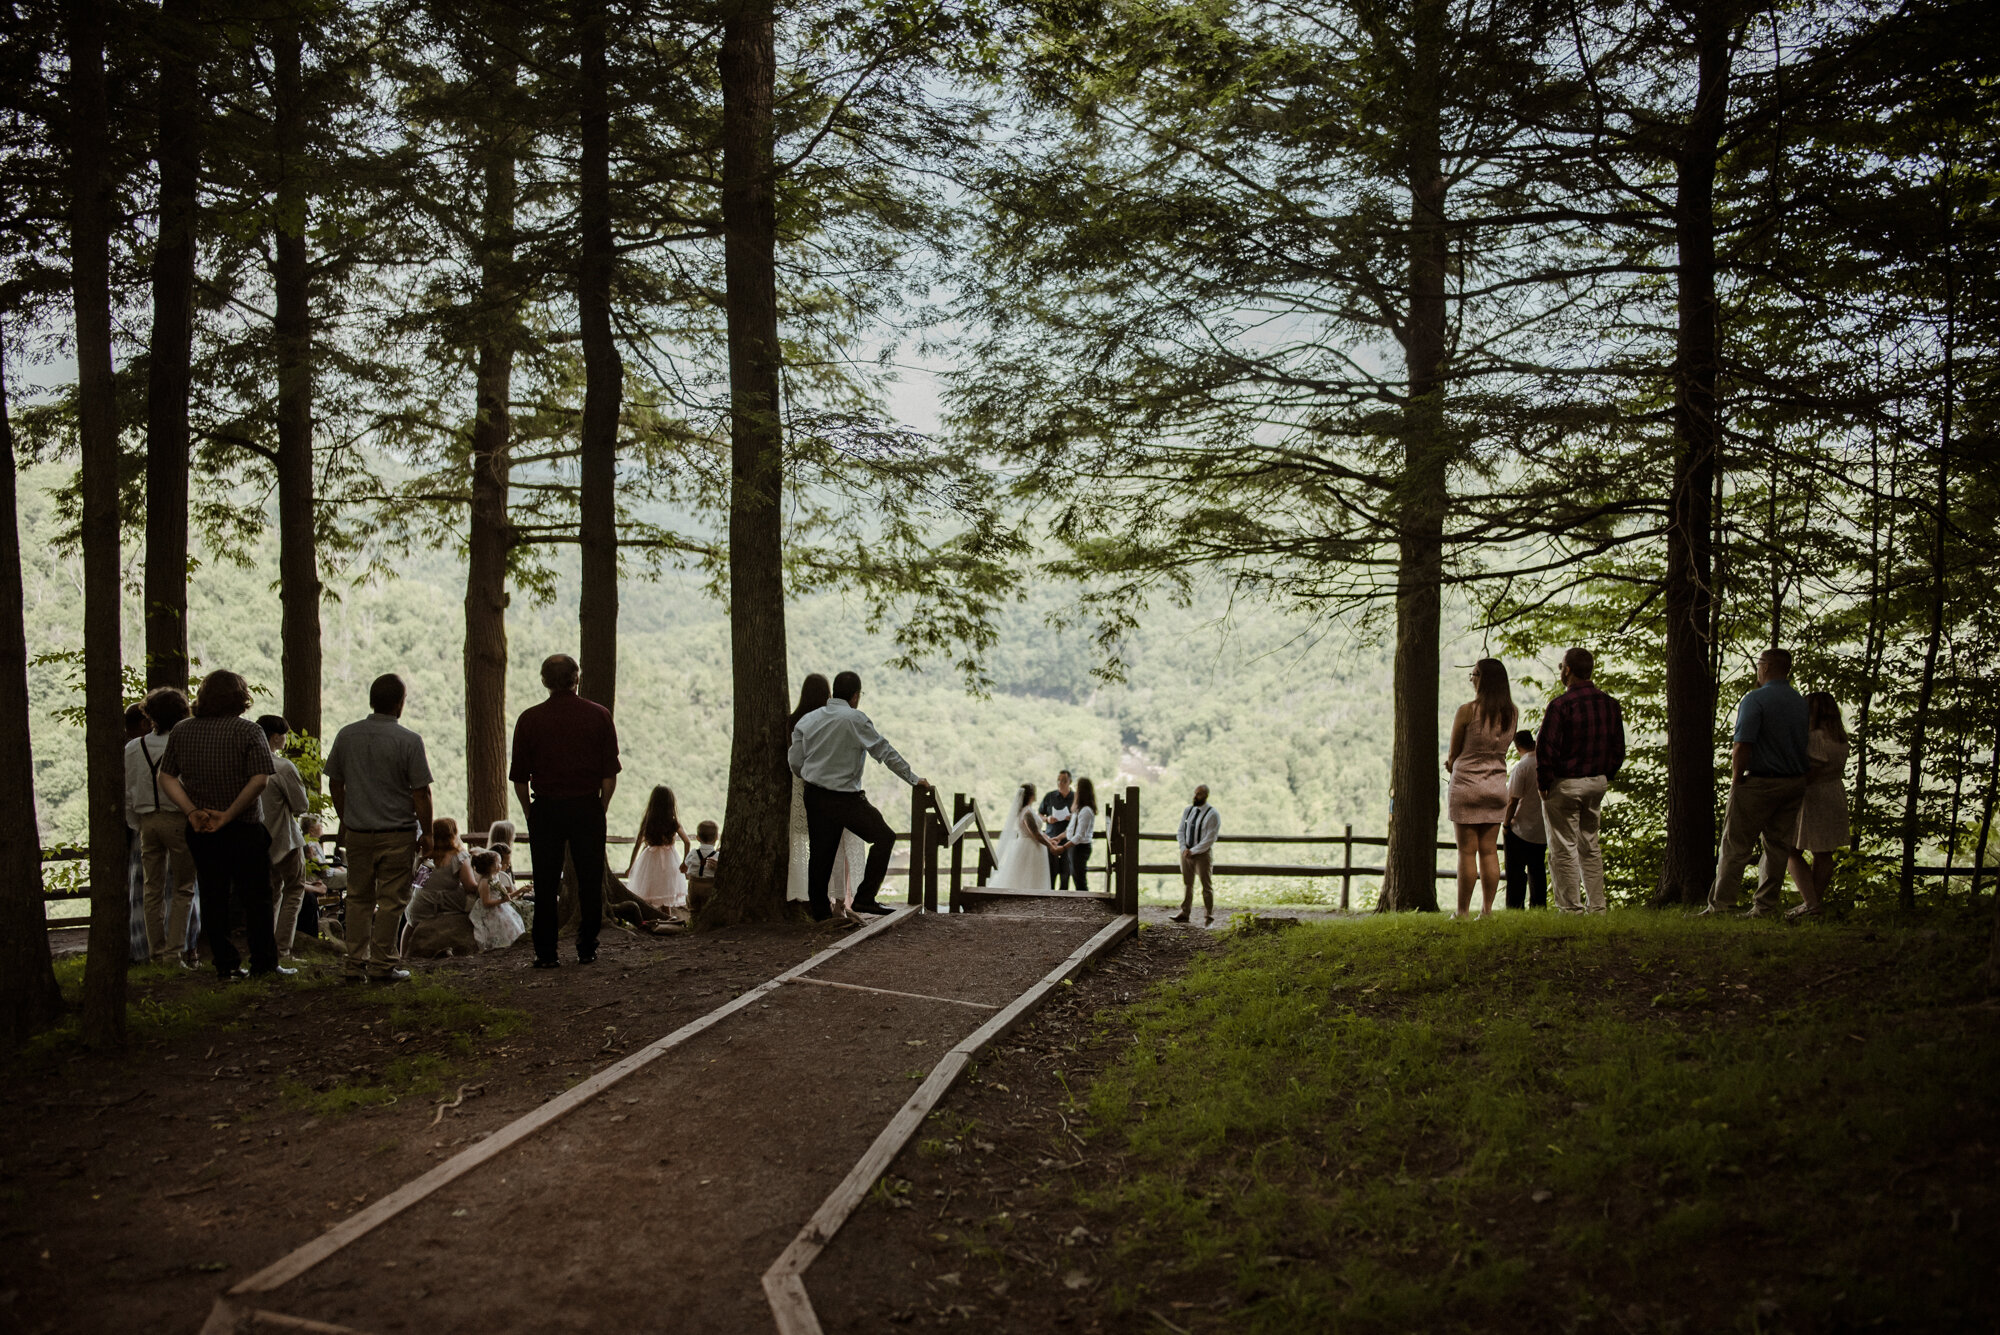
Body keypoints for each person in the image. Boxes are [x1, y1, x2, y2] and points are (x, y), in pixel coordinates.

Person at [156, 670, 281, 980]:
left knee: (213, 894)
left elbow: (166, 777)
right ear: (240, 698)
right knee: (257, 897)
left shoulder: (182, 731)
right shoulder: (249, 732)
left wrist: (191, 811)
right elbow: (260, 780)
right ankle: (263, 963)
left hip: (201, 829)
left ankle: (225, 963)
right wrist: (229, 813)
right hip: (245, 828)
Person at [788, 669, 930, 921]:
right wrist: (914, 779)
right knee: (884, 837)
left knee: (821, 854)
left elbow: (796, 762)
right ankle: (865, 898)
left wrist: (812, 776)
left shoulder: (808, 721)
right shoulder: (856, 719)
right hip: (846, 798)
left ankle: (820, 914)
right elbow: (885, 752)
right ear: (855, 696)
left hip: (815, 795)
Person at [510, 654, 621, 967]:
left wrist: (529, 811)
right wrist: (601, 806)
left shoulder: (529, 719)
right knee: (589, 880)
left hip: (546, 807)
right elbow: (609, 775)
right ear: (577, 678)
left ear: (545, 681)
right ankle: (587, 947)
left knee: (545, 884)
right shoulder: (599, 715)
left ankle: (546, 953)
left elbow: (519, 778)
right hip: (587, 805)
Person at [325, 673, 435, 984]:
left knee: (357, 897)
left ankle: (354, 963)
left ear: (372, 701)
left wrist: (346, 817)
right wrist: (427, 833)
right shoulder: (409, 741)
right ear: (400, 704)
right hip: (398, 832)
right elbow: (421, 792)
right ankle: (382, 963)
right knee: (391, 901)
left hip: (359, 833)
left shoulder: (347, 736)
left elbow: (335, 781)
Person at [1703, 649, 1810, 918]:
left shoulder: (1755, 699)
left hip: (1760, 783)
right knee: (1777, 847)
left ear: (1765, 667)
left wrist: (1737, 780)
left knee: (1736, 845)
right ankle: (1764, 907)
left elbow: (1742, 744)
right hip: (1794, 782)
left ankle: (1722, 905)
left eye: (1758, 664)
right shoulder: (1799, 701)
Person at [1537, 647, 1626, 914]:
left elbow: (1546, 748)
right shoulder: (1610, 704)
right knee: (1590, 845)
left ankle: (1571, 909)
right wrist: (1605, 775)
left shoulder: (1560, 706)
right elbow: (1618, 748)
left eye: (1562, 666)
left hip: (1565, 784)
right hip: (1596, 782)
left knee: (1563, 848)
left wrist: (1544, 783)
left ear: (1568, 670)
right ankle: (1598, 906)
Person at [126, 686, 199, 964]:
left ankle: (155, 952)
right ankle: (174, 952)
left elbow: (127, 793)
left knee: (151, 888)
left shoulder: (134, 748)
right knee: (183, 888)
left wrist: (137, 822)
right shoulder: (184, 744)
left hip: (147, 822)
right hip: (179, 819)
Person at [1446, 658, 1517, 919]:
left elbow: (1454, 753)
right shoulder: (1513, 712)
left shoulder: (1467, 711)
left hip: (1467, 785)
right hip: (1496, 785)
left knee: (1466, 851)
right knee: (1489, 850)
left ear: (1483, 678)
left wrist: (1451, 763)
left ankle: (1462, 912)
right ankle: (1487, 912)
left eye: (1474, 674)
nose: (1472, 679)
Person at [1779, 693, 1850, 920]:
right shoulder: (1839, 738)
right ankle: (1812, 904)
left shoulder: (1814, 737)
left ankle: (1810, 904)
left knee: (1791, 850)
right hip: (1834, 793)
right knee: (1823, 852)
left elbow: (1812, 771)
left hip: (1813, 796)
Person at [258, 715, 312, 959]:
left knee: (269, 894)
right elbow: (301, 805)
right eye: (284, 734)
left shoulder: (246, 764)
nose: (286, 739)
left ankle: (265, 946)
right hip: (285, 838)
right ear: (275, 737)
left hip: (257, 840)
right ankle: (282, 949)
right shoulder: (283, 767)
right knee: (294, 889)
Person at [406, 817, 477, 957]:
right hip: (450, 901)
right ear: (453, 834)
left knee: (409, 924)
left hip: (422, 903)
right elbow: (469, 886)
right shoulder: (459, 856)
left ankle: (403, 955)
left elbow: (419, 883)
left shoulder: (426, 855)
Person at [626, 784, 692, 922]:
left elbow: (638, 844)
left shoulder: (649, 821)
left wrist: (630, 866)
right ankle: (667, 917)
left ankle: (649, 919)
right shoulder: (673, 822)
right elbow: (687, 842)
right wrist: (684, 863)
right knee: (665, 891)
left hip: (650, 859)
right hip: (670, 860)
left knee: (650, 889)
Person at [1503, 730, 1548, 910]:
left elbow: (1513, 799)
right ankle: (1538, 905)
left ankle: (1515, 906)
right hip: (1541, 828)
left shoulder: (1521, 767)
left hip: (1520, 828)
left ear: (1517, 746)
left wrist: (1506, 824)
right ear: (1534, 743)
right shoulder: (1546, 765)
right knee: (1537, 870)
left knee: (1516, 872)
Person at [990, 782, 1055, 891]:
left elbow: (1039, 832)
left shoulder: (1027, 810)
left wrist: (1049, 840)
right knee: (1028, 876)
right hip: (1030, 847)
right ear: (1031, 795)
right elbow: (1036, 834)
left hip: (1029, 845)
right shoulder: (1027, 813)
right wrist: (1051, 846)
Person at [1172, 784, 1220, 925]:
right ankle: (1185, 912)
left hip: (1202, 855)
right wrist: (1183, 848)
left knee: (1206, 886)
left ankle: (1209, 917)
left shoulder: (1212, 814)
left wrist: (1193, 851)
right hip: (1186, 853)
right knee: (1188, 883)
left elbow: (1210, 838)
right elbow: (1181, 830)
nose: (1195, 796)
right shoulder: (1188, 810)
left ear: (1205, 795)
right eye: (1195, 793)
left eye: (1198, 794)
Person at [468, 849, 526, 950]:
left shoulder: (496, 878)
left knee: (512, 922)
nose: (501, 865)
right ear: (491, 867)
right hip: (490, 911)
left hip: (500, 906)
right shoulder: (485, 882)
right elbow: (486, 903)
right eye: (498, 863)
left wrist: (520, 890)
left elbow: (505, 895)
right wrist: (502, 901)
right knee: (502, 924)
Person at [1050, 776, 1097, 892]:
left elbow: (1079, 835)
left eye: (1077, 787)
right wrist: (1059, 837)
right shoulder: (1078, 810)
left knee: (1079, 879)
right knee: (1076, 877)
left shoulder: (1086, 810)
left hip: (1080, 848)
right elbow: (1071, 830)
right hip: (1075, 847)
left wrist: (1063, 848)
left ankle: (1085, 905)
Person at [1040, 771, 1075, 890]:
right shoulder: (1049, 796)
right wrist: (1047, 819)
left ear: (1070, 782)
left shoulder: (1075, 798)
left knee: (1066, 872)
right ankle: (1049, 895)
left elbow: (1080, 816)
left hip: (1069, 839)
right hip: (1051, 838)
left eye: (1064, 780)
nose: (1060, 783)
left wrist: (1073, 817)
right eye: (1058, 780)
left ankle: (1063, 898)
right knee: (1051, 871)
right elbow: (1039, 814)